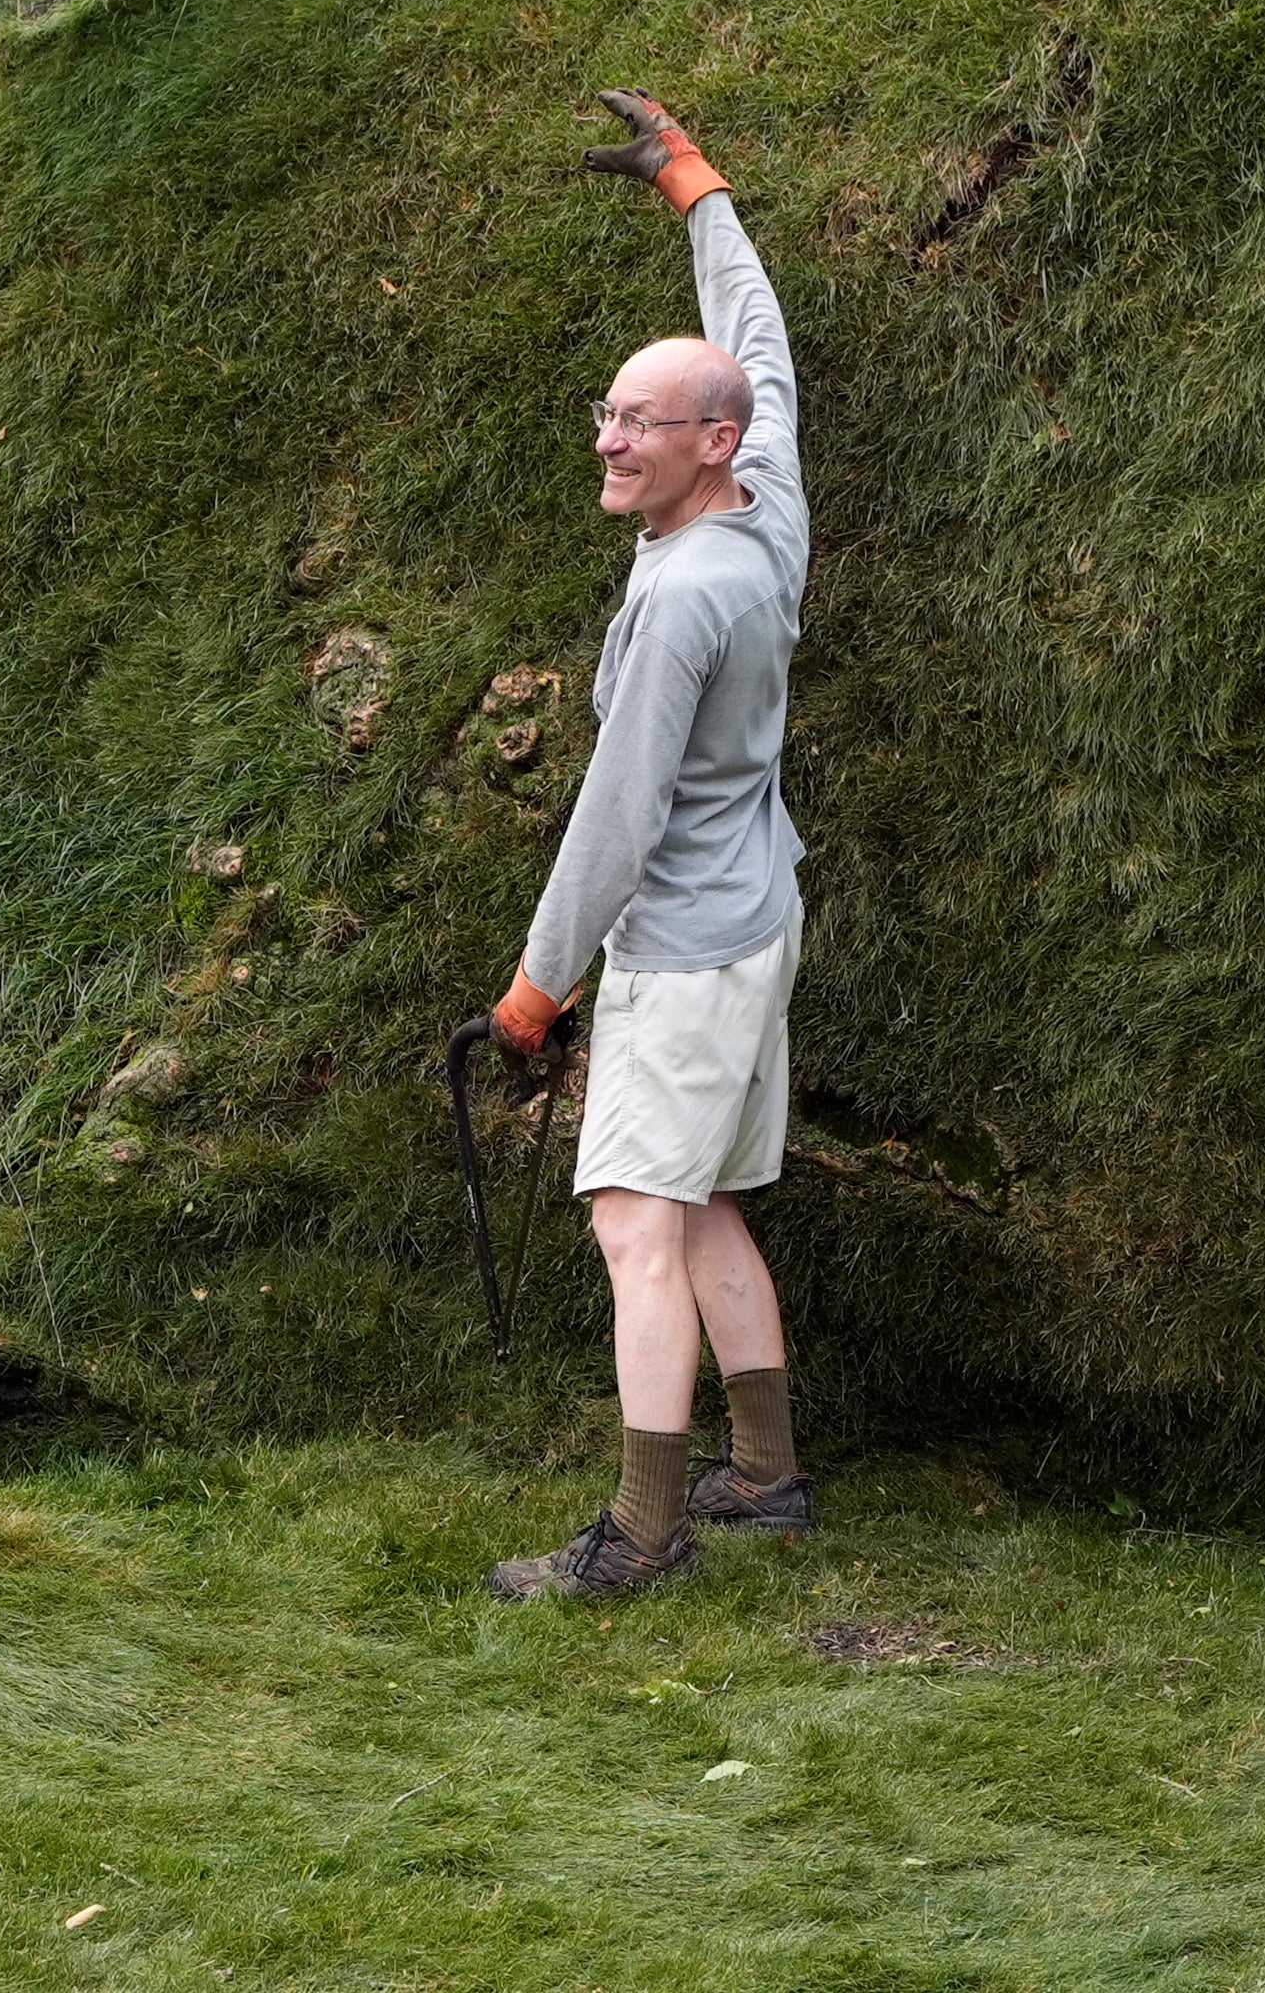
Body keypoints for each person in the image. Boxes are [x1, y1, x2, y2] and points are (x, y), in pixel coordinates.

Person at [486, 91, 816, 1602]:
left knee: (635, 1223)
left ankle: (644, 1529)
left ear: (711, 443)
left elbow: (616, 818)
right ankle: (766, 1476)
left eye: (640, 423)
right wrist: (698, 192)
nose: (610, 440)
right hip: (760, 916)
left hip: (684, 949)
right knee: (709, 1205)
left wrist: (536, 989)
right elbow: (761, 337)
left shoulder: (686, 600)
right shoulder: (768, 498)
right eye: (609, 413)